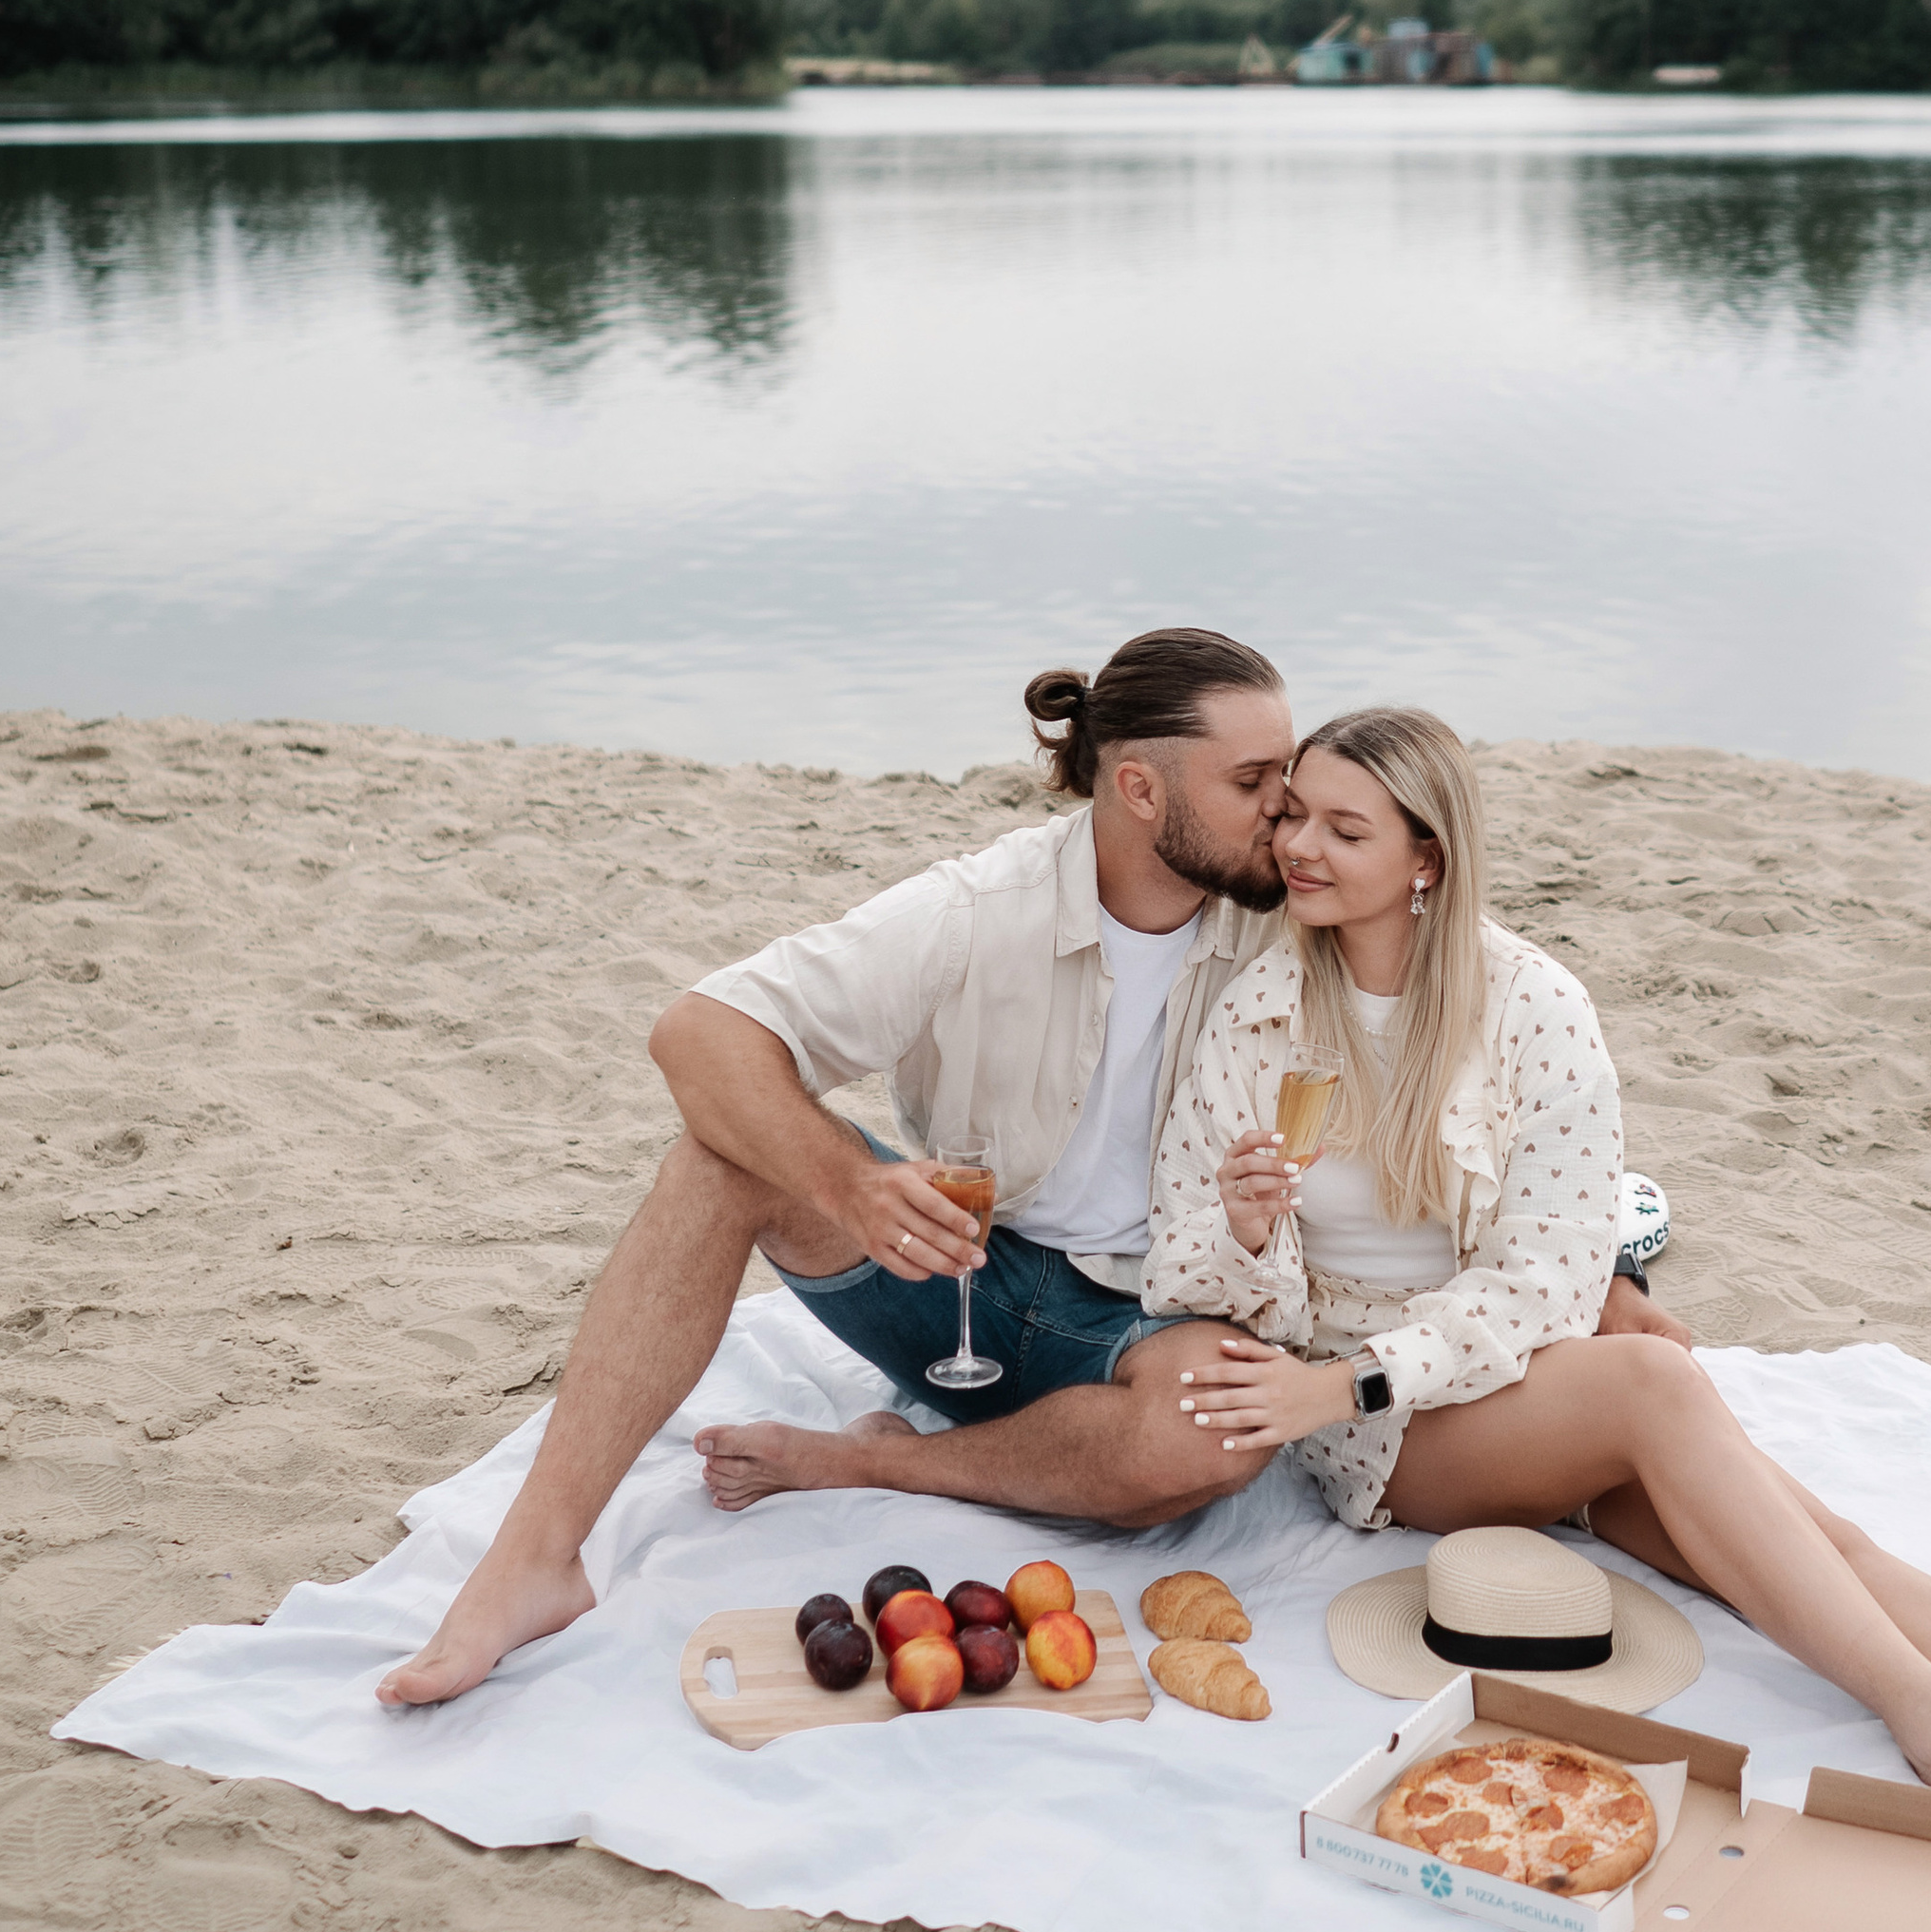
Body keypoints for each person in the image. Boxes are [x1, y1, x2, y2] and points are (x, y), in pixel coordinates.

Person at [1143, 705, 1931, 1837]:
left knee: (1823, 1551)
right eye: (1295, 816)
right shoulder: (1259, 1014)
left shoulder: (1534, 1008)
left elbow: (1551, 1277)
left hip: (1512, 1380)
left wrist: (1360, 1376)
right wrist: (1255, 1247)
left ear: (1426, 861)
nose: (1296, 846)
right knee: (1654, 1386)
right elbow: (1178, 1265)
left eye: (1345, 831)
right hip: (1379, 1422)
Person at [380, 627, 1298, 1707]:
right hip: (956, 1288)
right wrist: (848, 1185)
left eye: (1289, 772)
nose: (1287, 806)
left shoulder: (1287, 919)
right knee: (720, 1157)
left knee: (1219, 1433)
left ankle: (866, 1459)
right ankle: (532, 1559)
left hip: (1146, 1327)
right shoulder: (976, 911)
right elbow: (699, 1031)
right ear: (1139, 787)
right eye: (1254, 780)